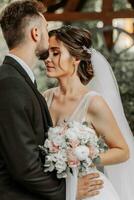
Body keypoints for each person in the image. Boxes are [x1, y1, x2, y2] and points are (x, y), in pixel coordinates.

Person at [0, 1, 104, 200]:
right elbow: (24, 166)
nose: (49, 37)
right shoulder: (10, 83)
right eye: (47, 29)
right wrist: (69, 191)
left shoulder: (18, 79)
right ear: (36, 33)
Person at [43, 25, 130, 200]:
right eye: (46, 53)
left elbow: (122, 150)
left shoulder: (93, 102)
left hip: (89, 190)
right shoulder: (45, 98)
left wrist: (86, 158)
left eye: (55, 53)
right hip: (55, 189)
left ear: (75, 58)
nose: (47, 59)